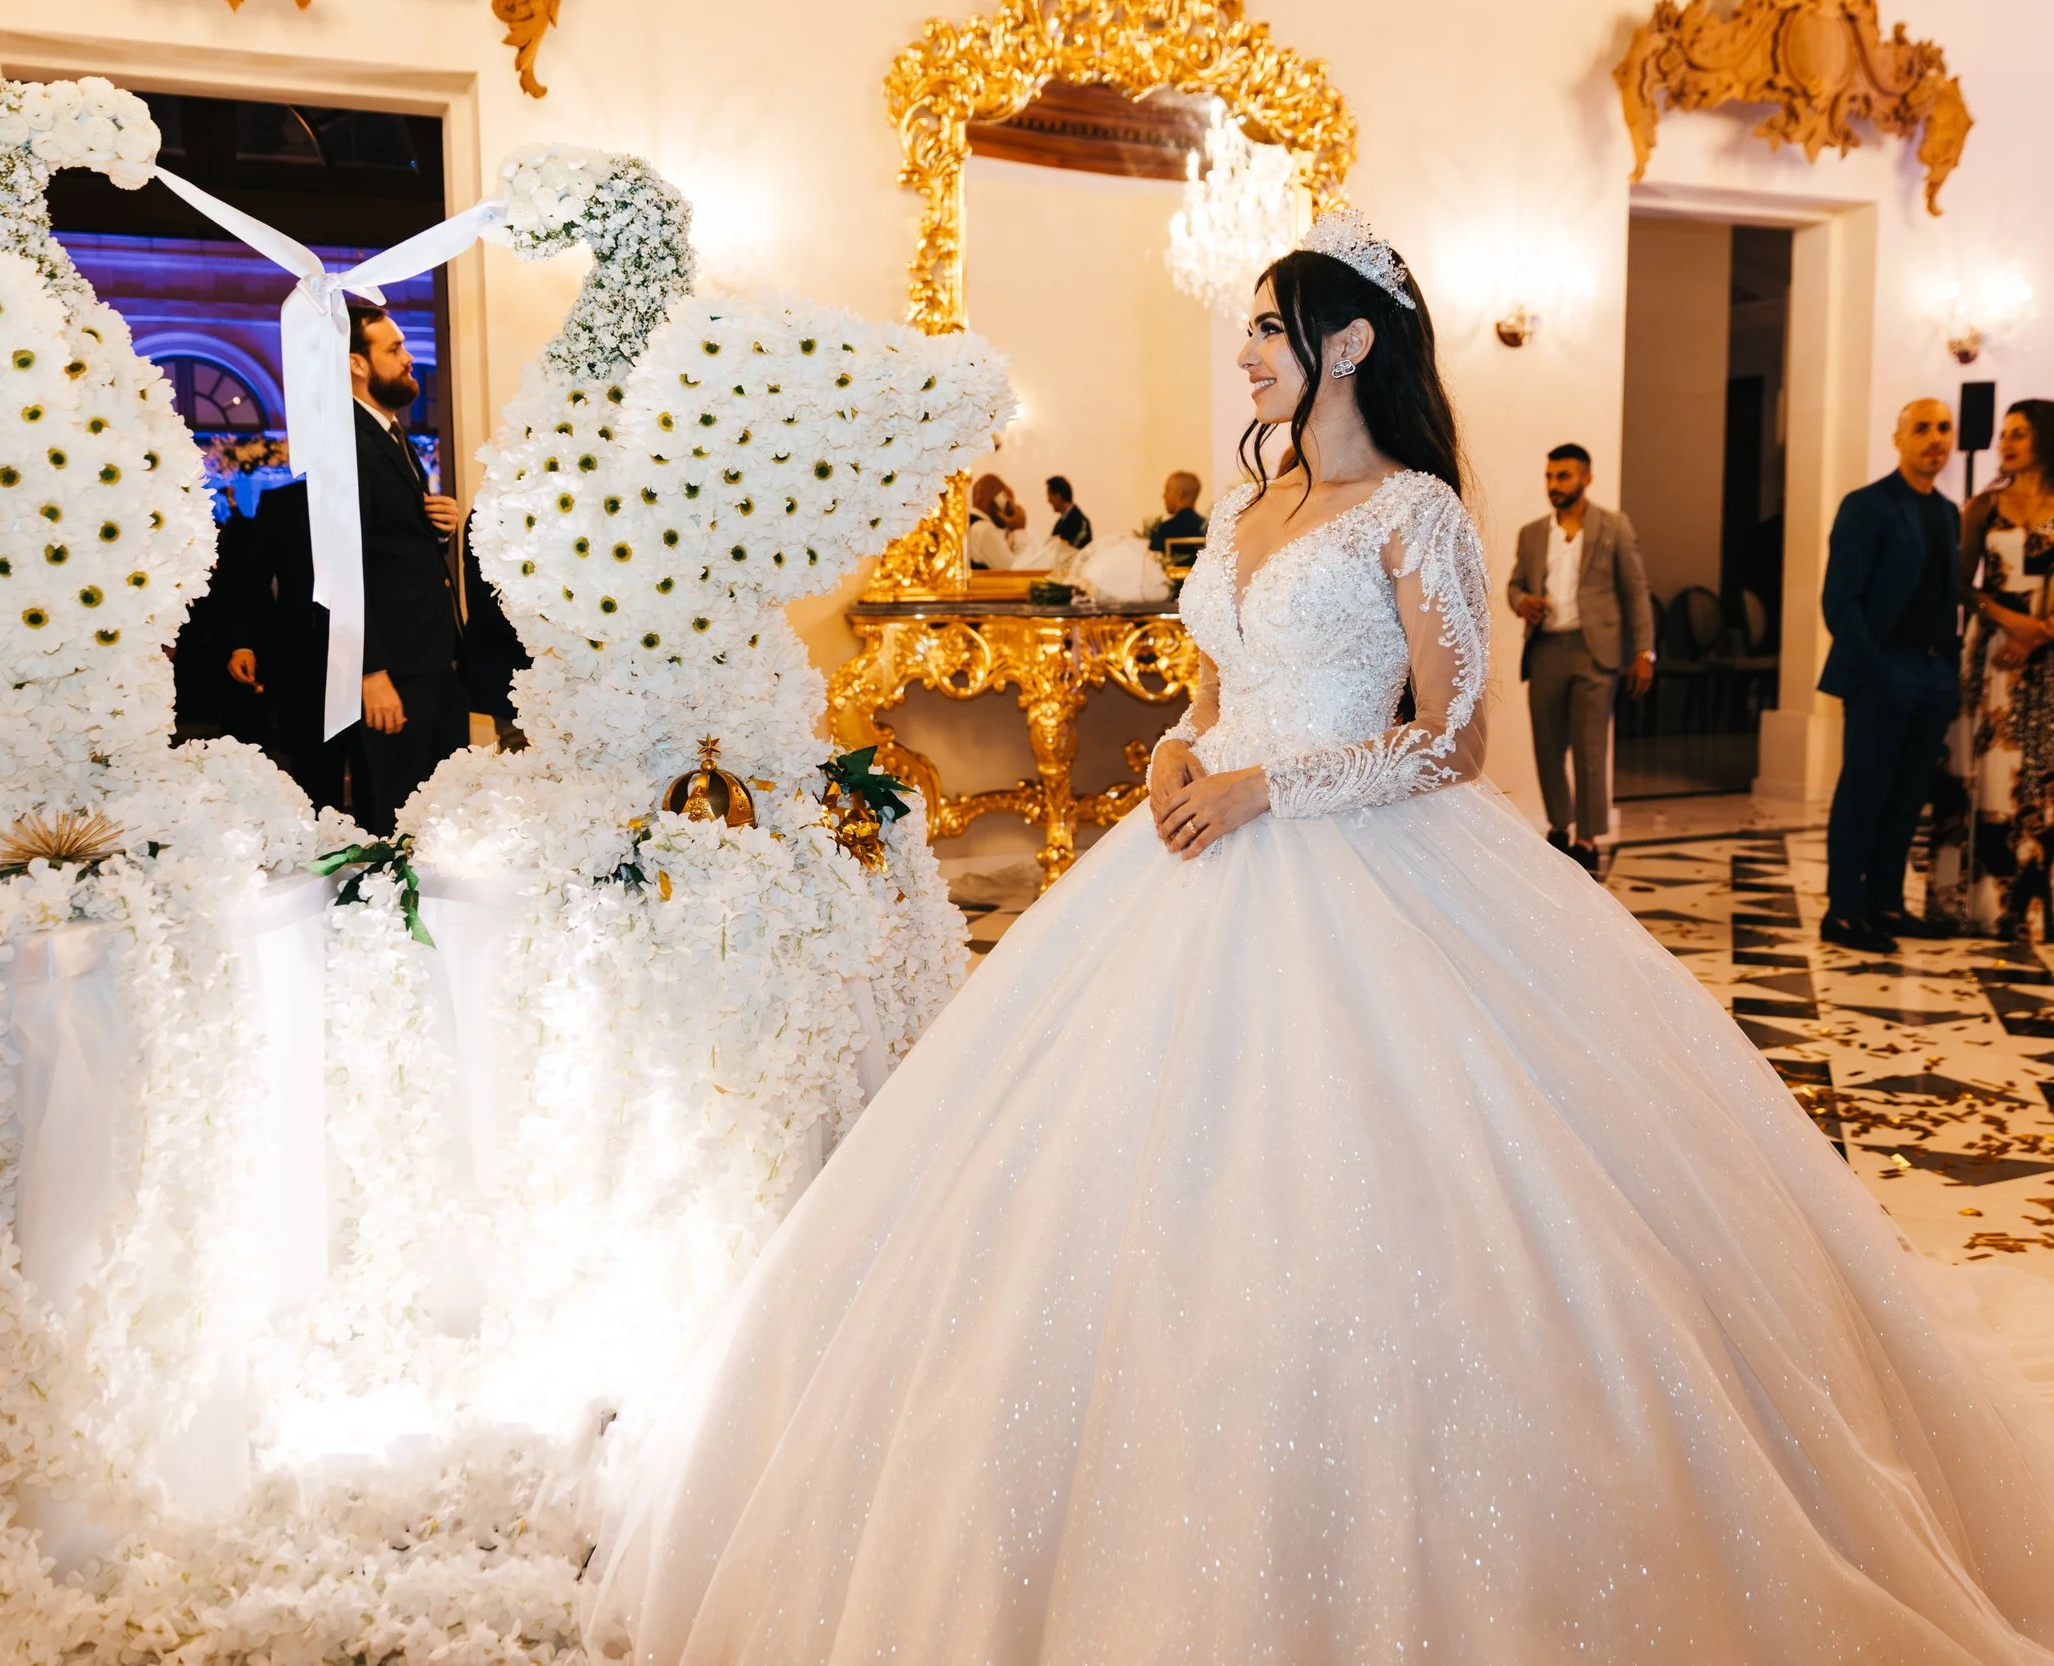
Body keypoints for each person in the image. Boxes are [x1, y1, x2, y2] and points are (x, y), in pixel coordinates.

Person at [593, 212, 2054, 1665]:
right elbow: (1215, 691)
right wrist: (1180, 751)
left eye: (1267, 328)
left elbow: (1456, 739)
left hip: (1376, 864)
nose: (1243, 353)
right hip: (1195, 853)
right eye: (1246, 327)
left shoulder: (1415, 510)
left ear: (1348, 343)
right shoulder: (1246, 513)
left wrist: (1266, 789)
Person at [226, 303, 467, 831]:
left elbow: (387, 547)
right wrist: (371, 671)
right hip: (391, 667)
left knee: (434, 810)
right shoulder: (348, 443)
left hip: (424, 657)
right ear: (357, 364)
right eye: (395, 349)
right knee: (396, 817)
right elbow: (337, 564)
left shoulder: (391, 435)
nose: (408, 359)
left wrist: (437, 527)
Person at [1819, 398, 1964, 953]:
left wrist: (1946, 670)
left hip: (1931, 673)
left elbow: (1944, 598)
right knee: (1864, 789)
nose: (1936, 438)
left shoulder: (1948, 511)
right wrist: (1877, 671)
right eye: (1922, 428)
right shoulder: (1867, 505)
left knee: (1907, 794)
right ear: (1898, 439)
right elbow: (1840, 601)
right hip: (1882, 668)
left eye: (1943, 428)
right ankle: (1843, 911)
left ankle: (1885, 901)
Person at [1932, 398, 2054, 937]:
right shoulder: (1983, 506)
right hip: (1993, 652)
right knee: (1990, 772)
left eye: (2019, 433)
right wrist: (2010, 622)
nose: (2006, 442)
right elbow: (1959, 583)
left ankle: (2034, 907)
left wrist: (2039, 632)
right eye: (2003, 433)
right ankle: (1981, 905)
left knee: (2041, 777)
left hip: (2048, 651)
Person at [1504, 442, 1655, 873]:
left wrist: (1644, 651)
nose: (1554, 485)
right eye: (1549, 476)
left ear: (1586, 478)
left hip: (1596, 652)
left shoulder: (1613, 527)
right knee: (1548, 746)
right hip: (1546, 648)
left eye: (1563, 476)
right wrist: (1522, 602)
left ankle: (1588, 838)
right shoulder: (1532, 534)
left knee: (1590, 748)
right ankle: (1559, 826)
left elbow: (1636, 592)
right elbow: (1514, 585)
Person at [1146, 469, 1207, 557]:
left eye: (1167, 490)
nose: (1164, 496)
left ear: (1179, 494)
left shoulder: (1162, 530)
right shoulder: (1209, 529)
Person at [1044, 473, 1092, 547]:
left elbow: (1074, 550)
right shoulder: (1060, 523)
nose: (1048, 501)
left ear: (1058, 496)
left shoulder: (1082, 523)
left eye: (1049, 496)